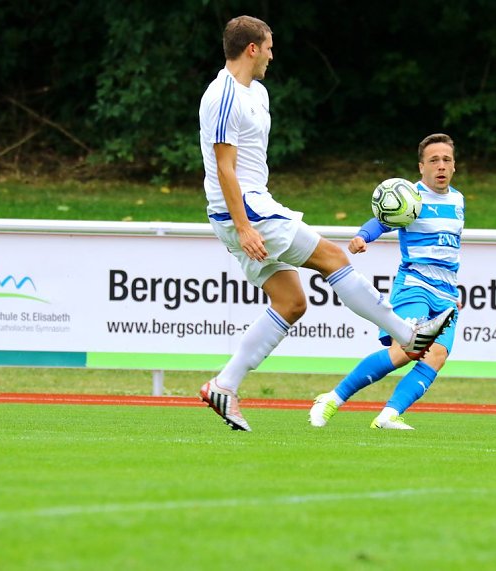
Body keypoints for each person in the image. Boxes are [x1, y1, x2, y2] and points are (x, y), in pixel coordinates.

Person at [197, 16, 453, 431]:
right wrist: (244, 226)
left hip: (246, 207)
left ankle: (225, 385)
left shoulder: (256, 93)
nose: (272, 55)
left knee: (291, 302)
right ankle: (408, 336)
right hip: (245, 210)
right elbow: (225, 169)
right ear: (251, 49)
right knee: (334, 258)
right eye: (269, 47)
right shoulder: (222, 95)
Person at [309, 133, 465, 430]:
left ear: (454, 165)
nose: (441, 166)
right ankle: (332, 398)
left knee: (438, 355)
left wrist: (453, 288)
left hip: (446, 294)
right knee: (407, 350)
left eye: (446, 160)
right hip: (416, 286)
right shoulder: (411, 196)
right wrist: (361, 237)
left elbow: (449, 250)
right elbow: (382, 219)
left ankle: (389, 414)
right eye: (434, 161)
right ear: (422, 167)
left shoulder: (458, 200)